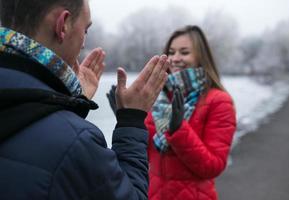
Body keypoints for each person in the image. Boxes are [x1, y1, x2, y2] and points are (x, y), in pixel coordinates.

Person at [0, 0, 170, 199]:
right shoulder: (77, 143)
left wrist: (70, 104)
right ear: (62, 25)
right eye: (86, 30)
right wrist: (131, 120)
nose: (83, 42)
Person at [145, 25, 236, 199]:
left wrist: (179, 131)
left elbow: (213, 167)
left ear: (201, 57)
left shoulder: (219, 101)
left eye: (184, 52)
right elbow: (142, 156)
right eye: (171, 52)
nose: (175, 58)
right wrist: (127, 120)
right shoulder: (159, 98)